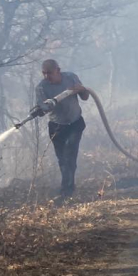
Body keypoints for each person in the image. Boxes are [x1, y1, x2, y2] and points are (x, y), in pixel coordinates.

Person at [34, 59, 89, 201]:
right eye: (44, 73)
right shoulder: (41, 87)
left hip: (75, 123)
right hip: (57, 126)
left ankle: (67, 190)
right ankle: (68, 186)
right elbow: (43, 109)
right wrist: (41, 109)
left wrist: (81, 89)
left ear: (58, 70)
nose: (47, 76)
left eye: (50, 73)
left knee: (70, 153)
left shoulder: (71, 77)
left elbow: (85, 97)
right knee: (62, 159)